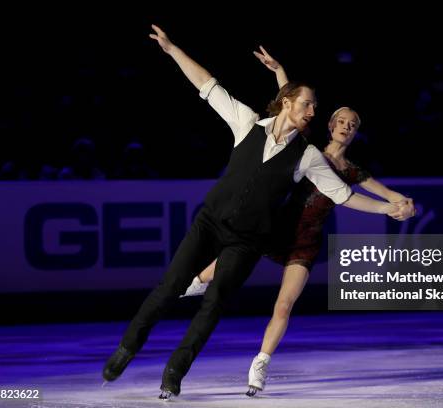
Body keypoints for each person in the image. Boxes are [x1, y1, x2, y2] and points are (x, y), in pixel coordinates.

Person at [102, 24, 401, 399]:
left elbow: (343, 195)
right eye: (307, 103)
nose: (312, 111)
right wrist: (172, 48)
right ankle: (126, 349)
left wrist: (386, 209)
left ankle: (175, 371)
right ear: (287, 101)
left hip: (247, 240)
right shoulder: (246, 121)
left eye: (315, 106)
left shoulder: (308, 156)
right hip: (209, 223)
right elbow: (208, 86)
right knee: (168, 288)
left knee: (213, 305)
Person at [181, 46, 416, 396]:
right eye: (341, 121)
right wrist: (279, 71)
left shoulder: (352, 171)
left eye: (352, 126)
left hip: (305, 243)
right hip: (276, 227)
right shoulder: (306, 151)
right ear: (331, 124)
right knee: (218, 268)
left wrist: (403, 205)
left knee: (284, 304)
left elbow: (386, 195)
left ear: (354, 133)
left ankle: (260, 362)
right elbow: (290, 101)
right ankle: (189, 284)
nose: (346, 128)